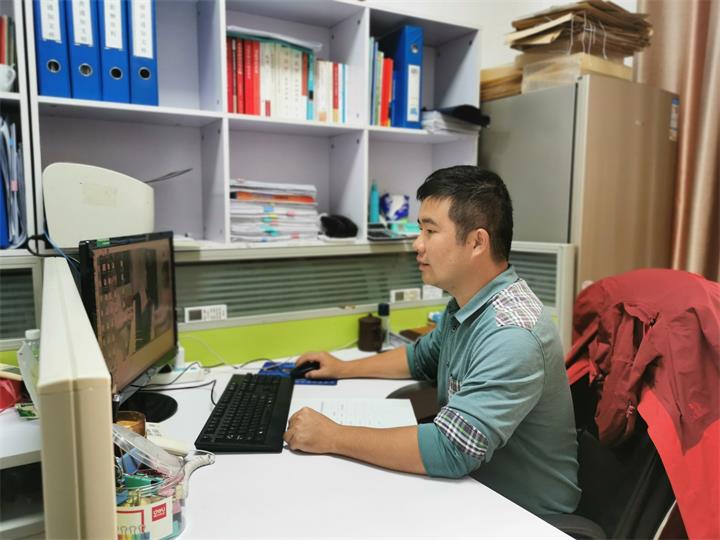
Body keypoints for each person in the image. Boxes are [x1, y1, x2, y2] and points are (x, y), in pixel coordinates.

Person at [283, 166, 580, 515]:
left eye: (429, 230)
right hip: (476, 493)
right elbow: (420, 358)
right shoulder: (468, 305)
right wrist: (342, 367)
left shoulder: (513, 334)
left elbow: (451, 448)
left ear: (477, 242)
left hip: (527, 517)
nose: (417, 243)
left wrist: (333, 436)